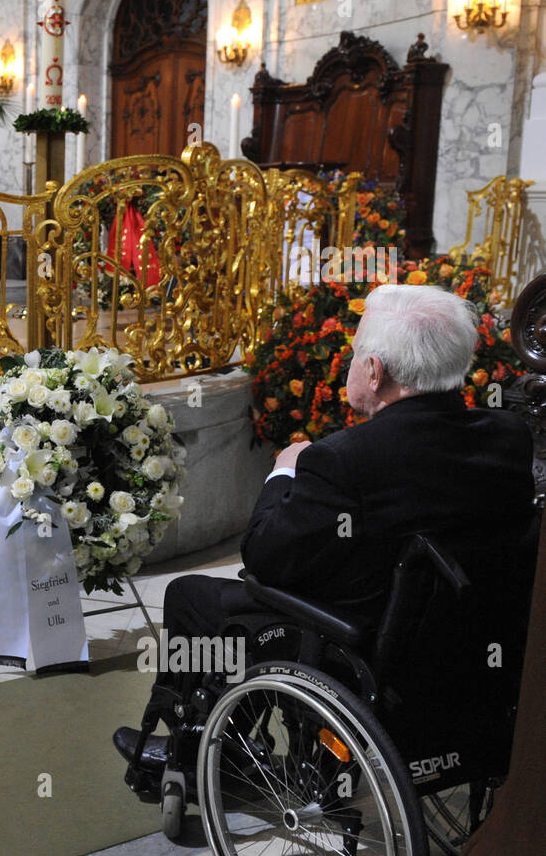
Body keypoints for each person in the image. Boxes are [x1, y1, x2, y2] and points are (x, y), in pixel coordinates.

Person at [114, 283, 537, 769]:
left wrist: (284, 472)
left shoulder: (344, 460)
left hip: (365, 651)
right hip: (470, 651)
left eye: (356, 355)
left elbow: (265, 558)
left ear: (375, 372)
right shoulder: (508, 438)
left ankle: (195, 757)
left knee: (193, 596)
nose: (353, 364)